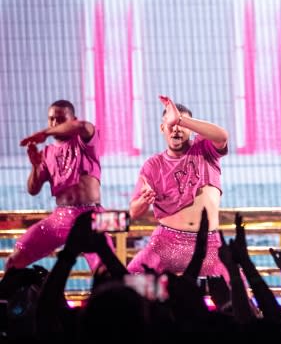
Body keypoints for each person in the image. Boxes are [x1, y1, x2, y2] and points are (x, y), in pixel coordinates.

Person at [127, 95, 230, 280]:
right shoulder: (152, 165)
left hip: (208, 245)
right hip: (166, 242)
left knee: (237, 291)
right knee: (129, 282)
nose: (176, 129)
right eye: (170, 124)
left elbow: (222, 136)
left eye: (181, 125)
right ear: (162, 128)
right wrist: (143, 201)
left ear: (190, 129)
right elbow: (134, 212)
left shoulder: (204, 148)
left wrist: (180, 119)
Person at [6, 100, 112, 272]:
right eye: (51, 119)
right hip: (61, 217)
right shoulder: (47, 153)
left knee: (105, 271)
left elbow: (83, 126)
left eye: (61, 119)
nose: (55, 123)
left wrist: (45, 132)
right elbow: (33, 190)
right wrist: (34, 166)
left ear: (73, 119)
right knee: (14, 260)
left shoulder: (86, 142)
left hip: (91, 216)